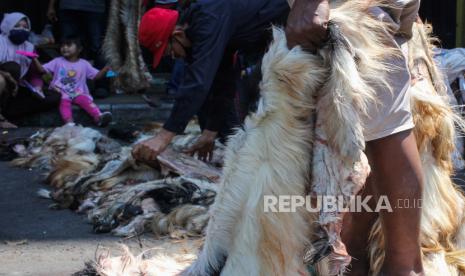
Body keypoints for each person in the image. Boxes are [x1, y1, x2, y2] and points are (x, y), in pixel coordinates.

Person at [286, 0, 424, 275]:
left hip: (345, 7)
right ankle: (366, 258)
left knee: (381, 130)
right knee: (378, 125)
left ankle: (402, 266)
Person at [132, 0, 290, 162]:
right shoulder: (204, 28)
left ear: (177, 34)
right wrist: (210, 131)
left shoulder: (208, 21)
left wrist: (164, 136)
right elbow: (223, 79)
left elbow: (197, 83)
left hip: (291, 26)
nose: (174, 57)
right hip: (270, 42)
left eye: (170, 51)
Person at [0, 12, 61, 129]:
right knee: (12, 67)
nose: (22, 29)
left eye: (25, 27)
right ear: (8, 26)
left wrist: (37, 87)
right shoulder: (0, 42)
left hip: (18, 89)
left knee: (54, 96)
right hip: (3, 86)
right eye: (17, 26)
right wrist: (7, 76)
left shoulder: (29, 47)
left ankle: (7, 113)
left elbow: (35, 74)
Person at [33, 38, 112, 127]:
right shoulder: (57, 61)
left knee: (87, 102)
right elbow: (42, 70)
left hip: (78, 92)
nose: (65, 48)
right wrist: (34, 59)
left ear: (79, 49)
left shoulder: (84, 63)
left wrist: (105, 70)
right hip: (60, 91)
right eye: (62, 46)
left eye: (68, 45)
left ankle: (98, 117)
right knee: (64, 102)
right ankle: (69, 123)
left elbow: (96, 76)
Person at [47, 0, 109, 98]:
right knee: (68, 46)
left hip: (95, 7)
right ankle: (66, 86)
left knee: (97, 46)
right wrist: (51, 6)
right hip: (69, 6)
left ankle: (102, 86)